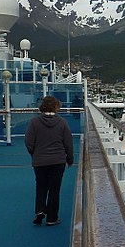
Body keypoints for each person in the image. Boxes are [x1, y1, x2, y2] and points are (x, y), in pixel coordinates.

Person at [25, 96, 73, 226]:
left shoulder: (34, 122)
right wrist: (70, 158)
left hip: (40, 161)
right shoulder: (62, 122)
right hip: (58, 161)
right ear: (57, 107)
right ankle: (52, 218)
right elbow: (68, 142)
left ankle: (40, 210)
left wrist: (35, 154)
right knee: (54, 189)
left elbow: (29, 142)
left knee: (41, 186)